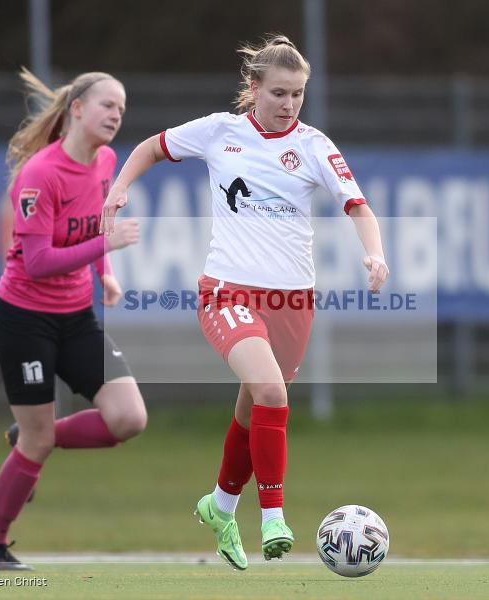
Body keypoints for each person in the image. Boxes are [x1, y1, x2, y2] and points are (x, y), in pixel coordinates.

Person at [101, 34, 389, 570]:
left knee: (255, 407)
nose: (289, 104)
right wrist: (120, 187)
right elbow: (150, 148)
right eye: (279, 93)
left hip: (293, 302)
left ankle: (220, 505)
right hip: (227, 292)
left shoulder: (314, 146)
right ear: (253, 88)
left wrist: (374, 253)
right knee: (271, 392)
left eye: (298, 94)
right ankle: (273, 517)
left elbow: (358, 206)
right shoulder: (221, 131)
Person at [0, 68, 147, 571]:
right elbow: (37, 262)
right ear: (77, 109)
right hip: (24, 319)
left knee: (128, 419)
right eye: (107, 105)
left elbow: (92, 225)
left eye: (122, 108)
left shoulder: (106, 161)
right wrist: (105, 246)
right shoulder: (41, 173)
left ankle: (26, 438)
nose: (116, 115)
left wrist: (105, 273)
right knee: (39, 441)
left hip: (75, 315)